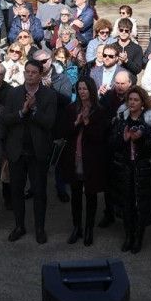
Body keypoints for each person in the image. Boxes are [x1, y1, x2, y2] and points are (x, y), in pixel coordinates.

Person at [3, 60, 58, 244]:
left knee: (39, 191)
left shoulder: (49, 95)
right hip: (17, 150)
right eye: (27, 71)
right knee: (16, 190)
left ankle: (40, 228)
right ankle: (19, 226)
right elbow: (6, 119)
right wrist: (21, 112)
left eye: (34, 72)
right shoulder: (13, 93)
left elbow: (50, 123)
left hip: (37, 151)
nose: (30, 75)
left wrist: (33, 111)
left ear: (40, 74)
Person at [58, 77, 110, 246]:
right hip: (74, 157)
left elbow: (100, 138)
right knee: (75, 194)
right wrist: (76, 123)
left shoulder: (100, 111)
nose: (82, 92)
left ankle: (89, 228)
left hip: (92, 159)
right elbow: (64, 132)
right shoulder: (71, 108)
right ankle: (76, 227)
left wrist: (87, 123)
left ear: (91, 90)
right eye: (79, 89)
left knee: (91, 195)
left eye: (85, 89)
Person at [109, 87, 151, 254]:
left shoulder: (149, 121)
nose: (131, 102)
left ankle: (138, 237)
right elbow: (111, 142)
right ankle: (128, 236)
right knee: (127, 202)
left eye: (135, 100)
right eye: (129, 99)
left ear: (142, 103)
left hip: (143, 169)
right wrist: (123, 139)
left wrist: (140, 141)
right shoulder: (121, 119)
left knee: (140, 203)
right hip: (124, 168)